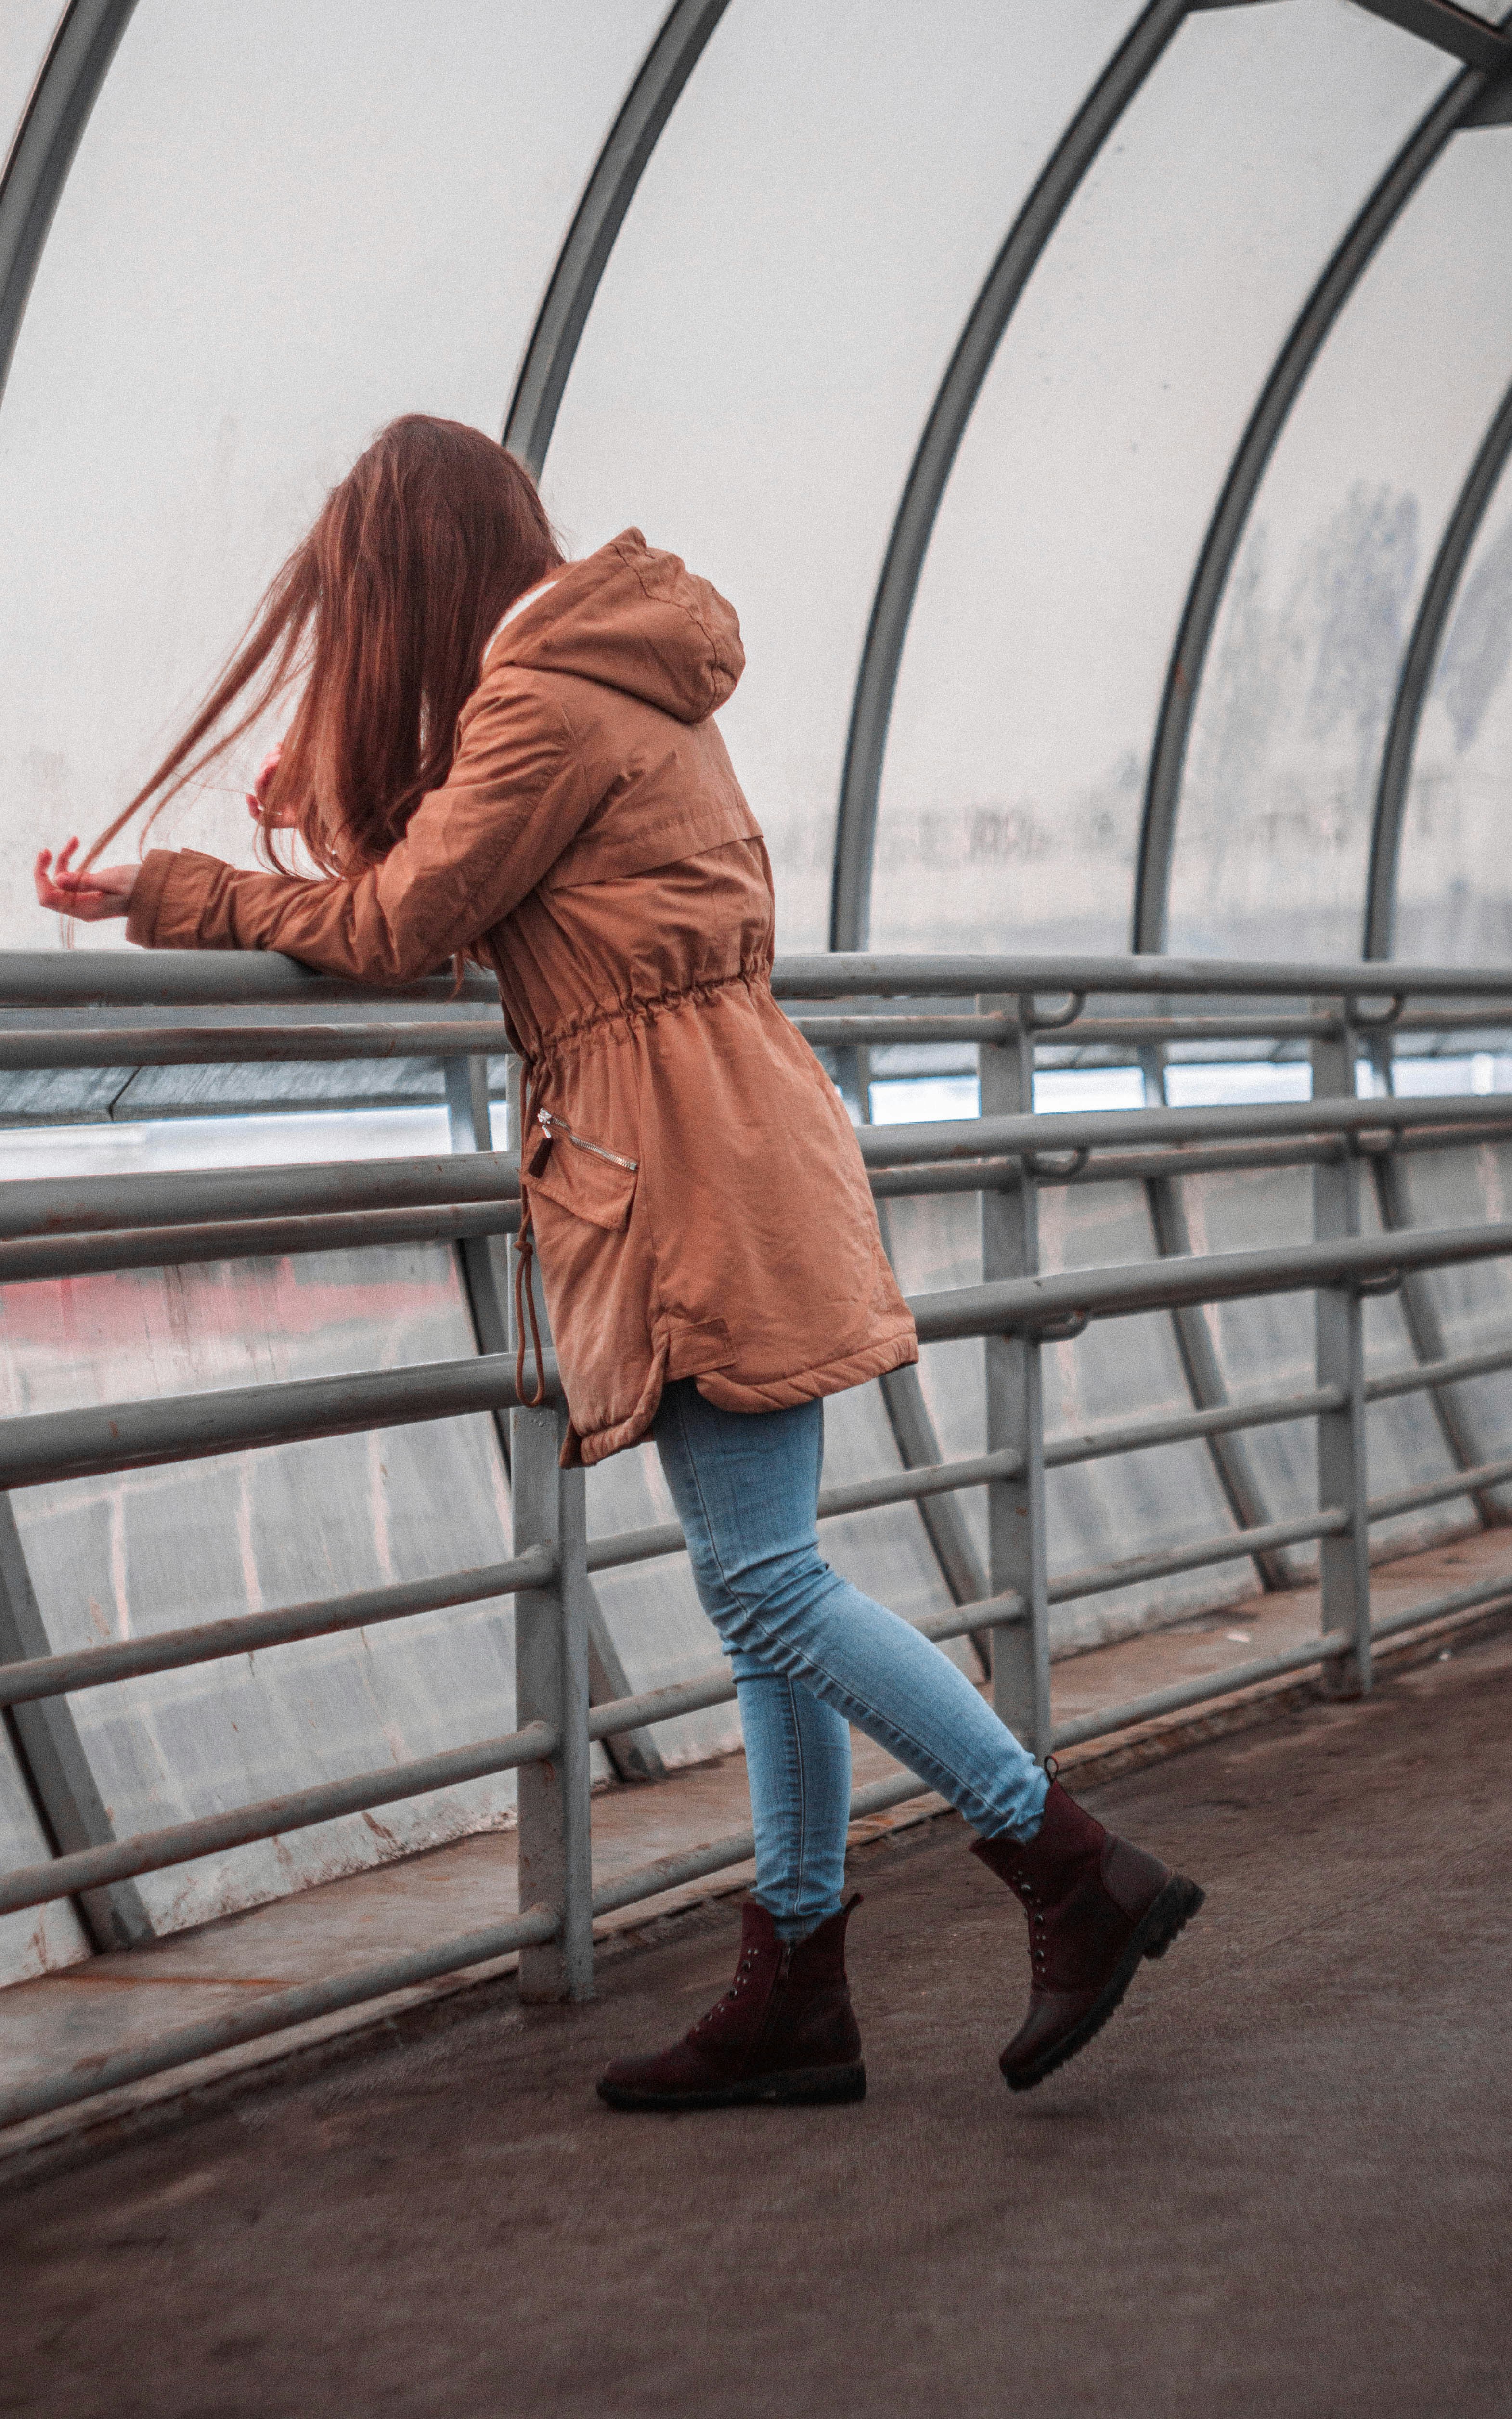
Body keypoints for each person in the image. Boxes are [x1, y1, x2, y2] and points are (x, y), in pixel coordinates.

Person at [36, 414, 1202, 2110]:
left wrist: (177, 887)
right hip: (743, 1130)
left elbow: (403, 929)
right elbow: (490, 886)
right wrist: (339, 822)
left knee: (764, 1585)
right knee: (771, 1582)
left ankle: (1065, 1859)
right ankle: (800, 1980)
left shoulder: (533, 701)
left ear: (419, 578)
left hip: (673, 1163)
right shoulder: (618, 673)